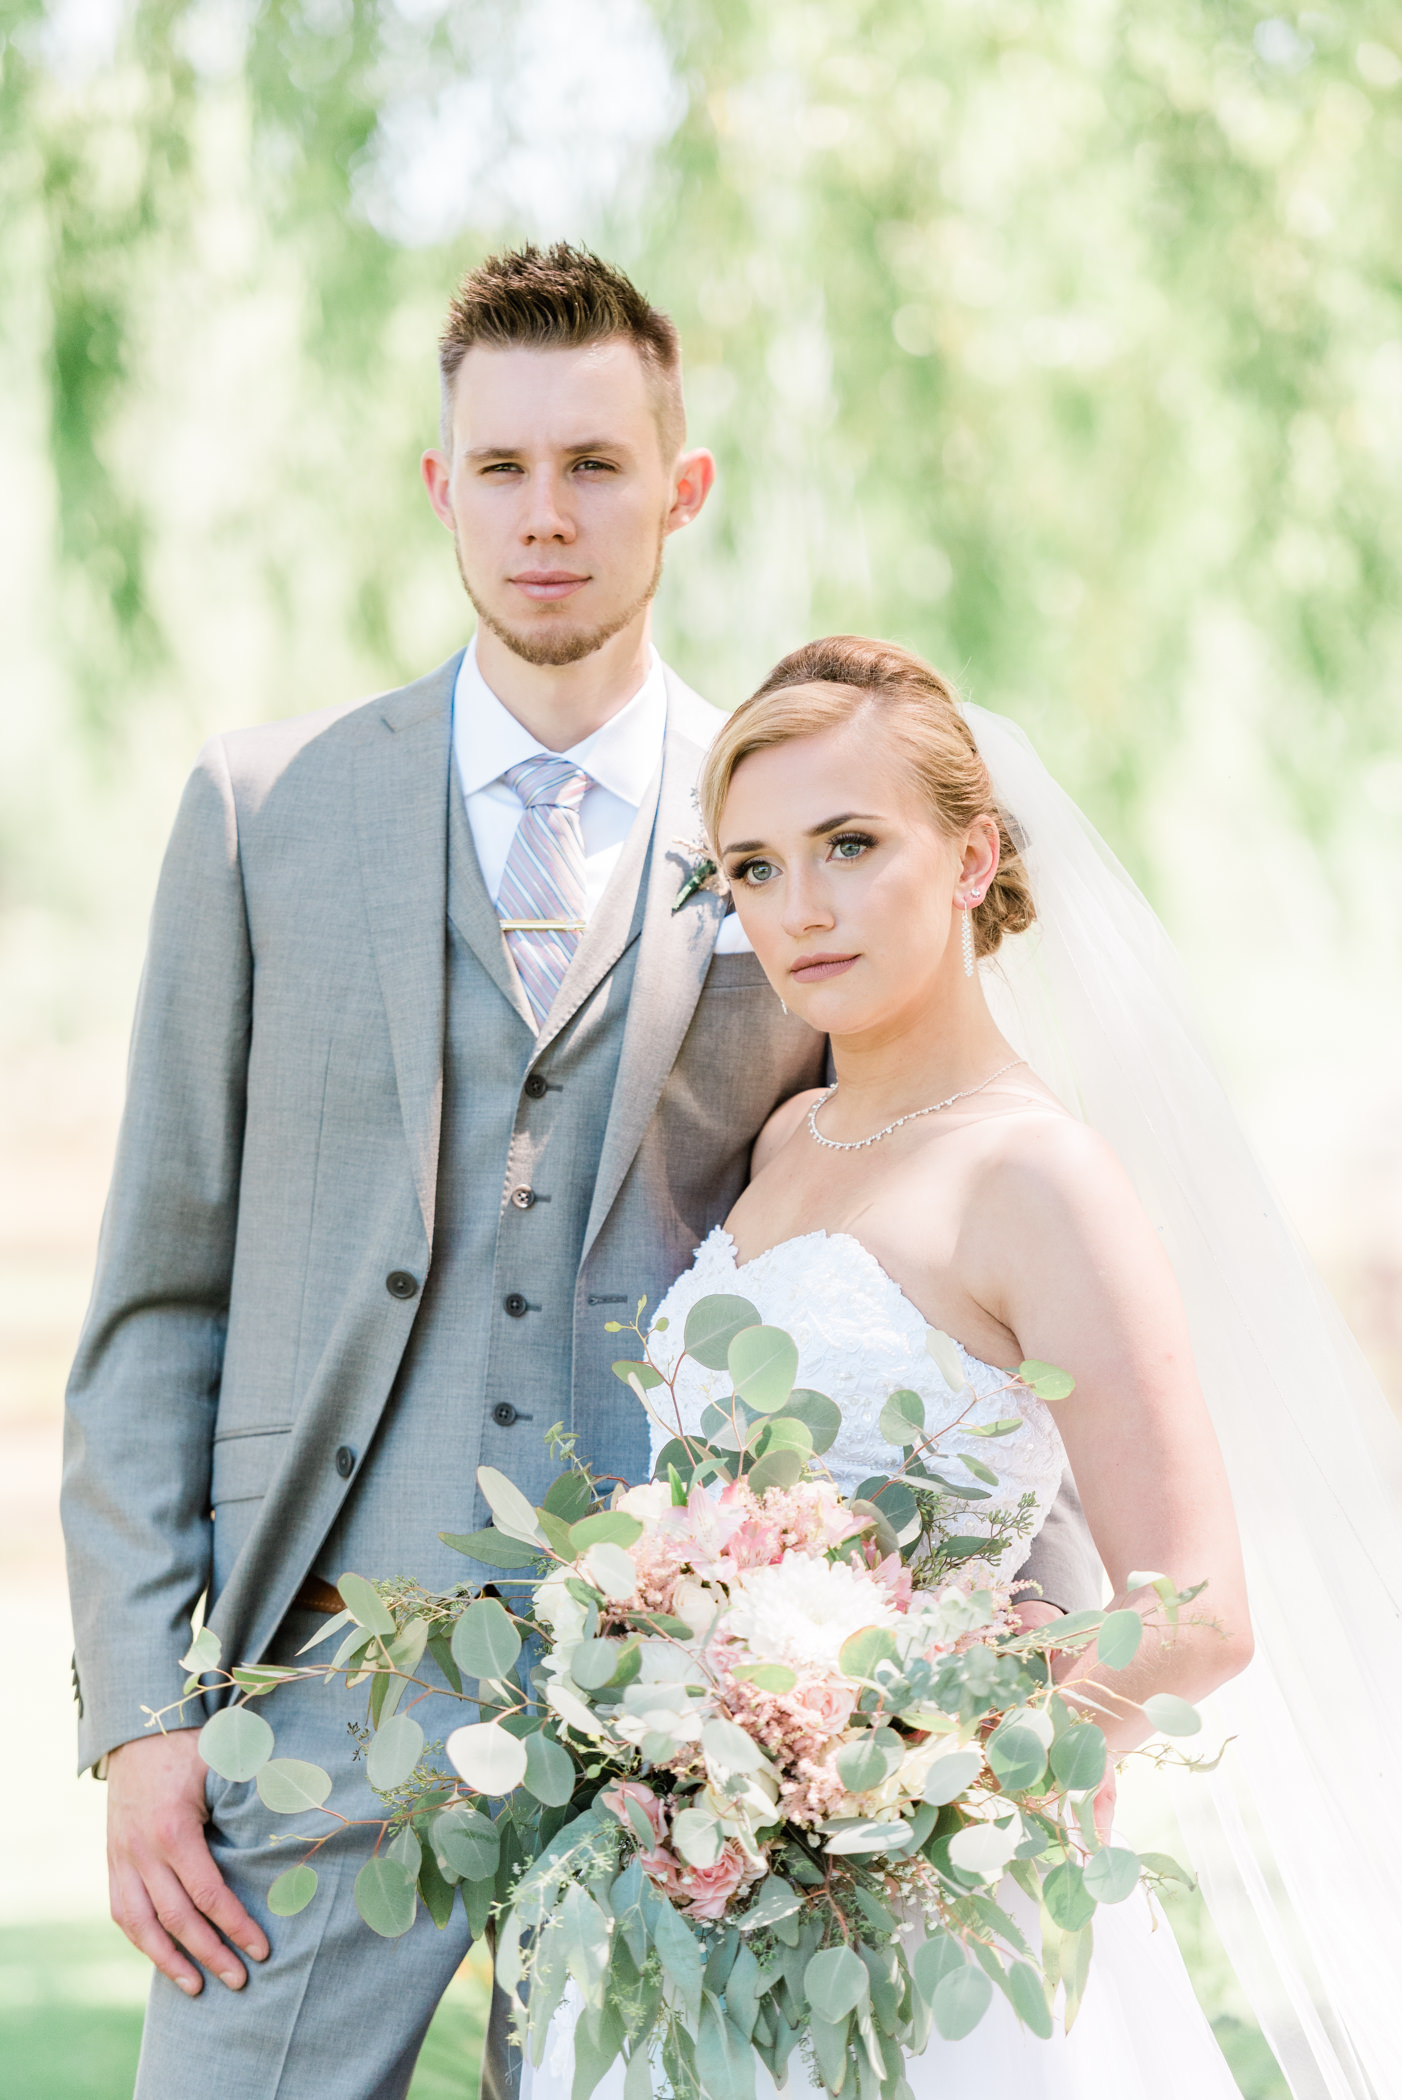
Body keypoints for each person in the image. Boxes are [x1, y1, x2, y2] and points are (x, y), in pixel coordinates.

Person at [60, 256, 1090, 2100]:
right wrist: (143, 1724)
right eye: (506, 467)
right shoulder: (259, 811)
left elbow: (929, 1194)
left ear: (680, 490)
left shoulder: (785, 821)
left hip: (698, 1730)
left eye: (599, 466)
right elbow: (157, 1300)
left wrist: (988, 1682)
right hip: (314, 1701)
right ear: (440, 483)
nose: (549, 515)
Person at [523, 634, 1255, 2100]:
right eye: (753, 868)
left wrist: (878, 1730)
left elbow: (1198, 1613)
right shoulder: (786, 1139)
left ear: (974, 858)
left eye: (849, 846)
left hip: (934, 1926)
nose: (801, 909)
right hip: (707, 1913)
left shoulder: (1035, 1178)